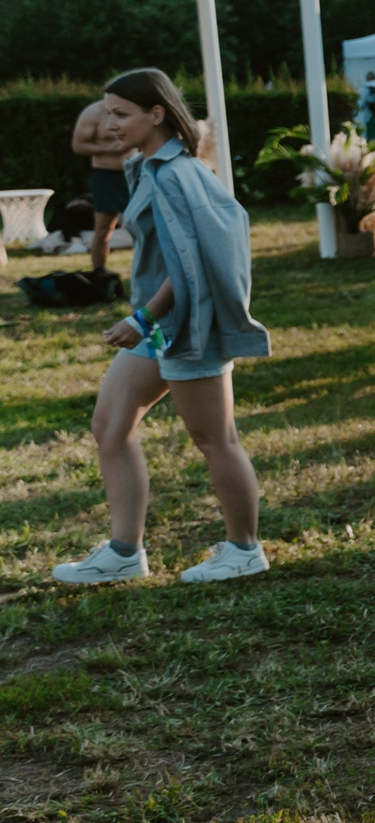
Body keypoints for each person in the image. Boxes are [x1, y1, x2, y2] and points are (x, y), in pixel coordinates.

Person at [54, 69, 271, 585]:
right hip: (159, 325)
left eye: (120, 113)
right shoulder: (151, 167)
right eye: (107, 112)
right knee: (110, 425)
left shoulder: (177, 175)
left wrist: (142, 317)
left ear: (157, 114)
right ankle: (125, 552)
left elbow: (190, 264)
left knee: (214, 438)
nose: (109, 124)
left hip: (185, 323)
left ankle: (245, 550)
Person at [70, 92, 134, 274]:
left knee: (144, 227)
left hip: (134, 174)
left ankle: (150, 272)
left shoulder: (134, 109)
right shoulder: (93, 112)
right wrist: (108, 149)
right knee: (104, 230)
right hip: (106, 176)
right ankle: (100, 272)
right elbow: (78, 146)